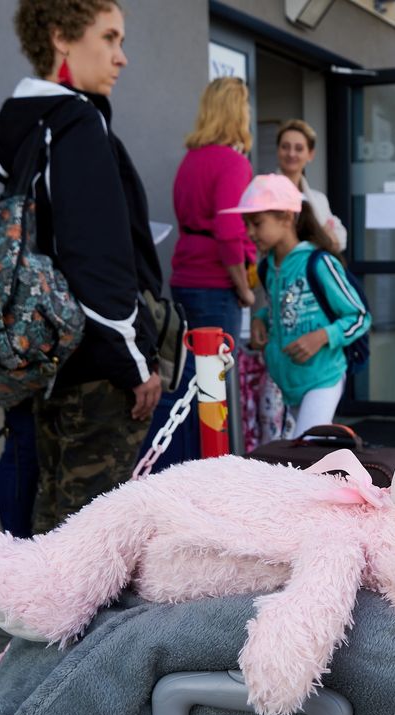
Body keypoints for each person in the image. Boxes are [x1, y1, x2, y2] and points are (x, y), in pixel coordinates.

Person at [0, 0, 161, 533]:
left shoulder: (27, 127)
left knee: (54, 524)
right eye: (109, 38)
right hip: (99, 370)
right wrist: (136, 362)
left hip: (51, 360)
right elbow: (96, 256)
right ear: (61, 37)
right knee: (91, 541)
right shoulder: (77, 123)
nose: (121, 57)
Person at [140, 76, 257, 469]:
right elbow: (228, 231)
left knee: (182, 379)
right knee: (211, 388)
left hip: (186, 277)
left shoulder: (191, 160)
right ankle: (201, 474)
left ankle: (172, 468)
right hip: (215, 284)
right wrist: (244, 288)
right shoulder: (233, 163)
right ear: (238, 112)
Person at [236, 175, 370, 436]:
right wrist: (260, 318)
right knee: (307, 450)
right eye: (246, 224)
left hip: (324, 377)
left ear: (287, 217)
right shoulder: (267, 267)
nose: (250, 232)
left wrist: (321, 336)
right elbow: (280, 309)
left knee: (306, 445)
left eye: (257, 223)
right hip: (289, 383)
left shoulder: (319, 263)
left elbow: (359, 315)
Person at [275, 118, 347, 253]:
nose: (291, 154)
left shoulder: (319, 200)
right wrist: (322, 236)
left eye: (299, 148)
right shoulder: (264, 192)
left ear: (310, 155)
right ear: (278, 150)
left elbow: (341, 238)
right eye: (285, 147)